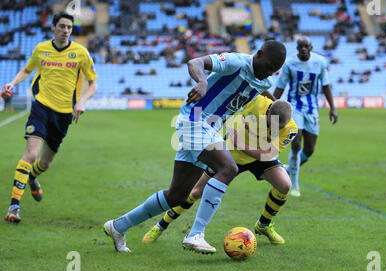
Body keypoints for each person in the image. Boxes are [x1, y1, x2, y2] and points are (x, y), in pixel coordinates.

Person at [103, 40, 287, 253]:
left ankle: (118, 227)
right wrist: (202, 81)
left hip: (208, 128)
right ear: (259, 53)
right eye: (269, 66)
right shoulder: (236, 62)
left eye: (275, 71)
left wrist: (279, 106)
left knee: (177, 196)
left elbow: (262, 91)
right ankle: (196, 233)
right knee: (228, 168)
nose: (269, 73)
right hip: (195, 120)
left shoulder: (264, 80)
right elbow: (195, 62)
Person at [142, 95, 298, 247]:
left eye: (280, 127)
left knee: (284, 185)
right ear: (268, 112)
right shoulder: (256, 102)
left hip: (259, 156)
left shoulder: (291, 129)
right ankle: (160, 226)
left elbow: (268, 154)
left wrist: (241, 143)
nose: (276, 129)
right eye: (273, 124)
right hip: (230, 155)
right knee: (195, 192)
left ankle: (263, 225)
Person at [3, 12, 98, 224]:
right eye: (62, 26)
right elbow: (27, 70)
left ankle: (32, 177)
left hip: (64, 114)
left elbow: (93, 84)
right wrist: (12, 83)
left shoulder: (81, 53)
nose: (65, 30)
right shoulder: (41, 49)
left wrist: (81, 102)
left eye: (69, 28)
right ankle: (14, 206)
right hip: (41, 107)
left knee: (45, 162)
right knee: (31, 153)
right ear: (53, 28)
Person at [273, 36, 338, 197]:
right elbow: (280, 88)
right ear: (297, 48)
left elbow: (326, 86)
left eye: (306, 46)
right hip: (295, 107)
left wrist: (333, 108)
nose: (303, 49)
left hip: (312, 109)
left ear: (311, 47)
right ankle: (294, 185)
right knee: (296, 144)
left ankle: (289, 169)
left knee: (309, 149)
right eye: (300, 46)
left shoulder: (320, 62)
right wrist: (271, 107)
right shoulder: (289, 63)